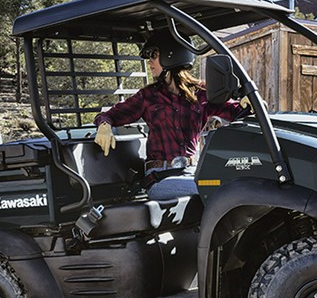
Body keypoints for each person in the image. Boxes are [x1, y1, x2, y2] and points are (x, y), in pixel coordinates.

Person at [93, 30, 242, 200]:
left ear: (172, 55)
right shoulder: (148, 96)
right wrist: (104, 125)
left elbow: (236, 112)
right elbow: (110, 115)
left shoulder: (201, 93)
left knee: (230, 185)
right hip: (160, 178)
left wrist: (247, 103)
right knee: (215, 190)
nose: (149, 62)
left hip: (193, 172)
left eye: (153, 55)